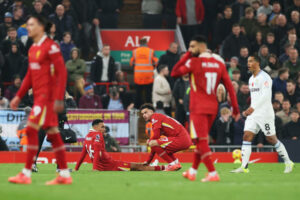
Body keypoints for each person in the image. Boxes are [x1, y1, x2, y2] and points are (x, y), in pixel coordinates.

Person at [8, 15, 72, 185]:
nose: (28, 28)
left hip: (48, 99)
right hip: (39, 98)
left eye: (31, 25)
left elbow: (62, 73)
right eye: (27, 25)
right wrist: (18, 96)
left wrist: (59, 98)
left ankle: (26, 173)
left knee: (31, 130)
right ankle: (64, 174)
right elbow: (30, 75)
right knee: (52, 133)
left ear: (41, 27)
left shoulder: (51, 47)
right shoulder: (33, 48)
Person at [171, 35, 240, 182]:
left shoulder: (194, 62)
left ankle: (212, 173)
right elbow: (230, 88)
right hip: (212, 107)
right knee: (199, 140)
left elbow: (174, 72)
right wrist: (235, 108)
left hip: (197, 108)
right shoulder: (219, 64)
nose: (190, 50)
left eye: (192, 47)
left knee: (201, 141)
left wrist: (188, 55)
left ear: (201, 47)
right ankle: (193, 171)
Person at [231, 55, 294, 174]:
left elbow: (265, 96)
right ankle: (244, 167)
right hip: (254, 114)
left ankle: (288, 162)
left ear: (258, 63)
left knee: (271, 138)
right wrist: (251, 109)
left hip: (265, 113)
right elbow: (255, 97)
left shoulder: (265, 77)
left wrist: (252, 108)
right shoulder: (251, 79)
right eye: (248, 62)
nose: (248, 64)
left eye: (251, 61)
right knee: (247, 136)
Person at [75, 119, 165, 171]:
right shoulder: (98, 135)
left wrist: (76, 168)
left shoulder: (87, 136)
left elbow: (83, 154)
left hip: (106, 165)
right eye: (102, 127)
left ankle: (159, 166)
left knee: (137, 166)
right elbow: (98, 152)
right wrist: (95, 169)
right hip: (111, 165)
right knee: (138, 167)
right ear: (95, 127)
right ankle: (163, 167)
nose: (104, 129)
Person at [140, 103, 192, 171]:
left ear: (152, 111)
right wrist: (148, 161)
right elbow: (155, 144)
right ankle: (176, 163)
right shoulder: (158, 118)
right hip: (184, 139)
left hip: (181, 139)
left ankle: (172, 164)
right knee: (159, 144)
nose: (144, 115)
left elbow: (156, 137)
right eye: (142, 114)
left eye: (145, 112)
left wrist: (150, 141)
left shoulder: (155, 116)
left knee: (154, 142)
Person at [130, 38, 158, 108]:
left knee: (138, 95)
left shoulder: (135, 51)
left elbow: (131, 63)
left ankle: (137, 110)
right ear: (146, 42)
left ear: (139, 43)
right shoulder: (151, 51)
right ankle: (149, 110)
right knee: (148, 95)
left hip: (138, 77)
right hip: (148, 77)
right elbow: (156, 62)